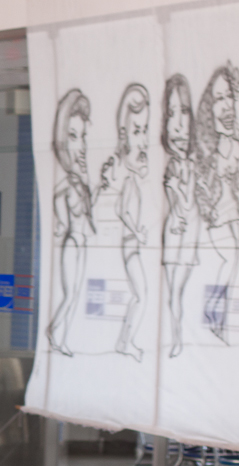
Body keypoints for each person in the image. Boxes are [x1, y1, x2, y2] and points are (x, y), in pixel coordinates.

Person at [47, 88, 98, 356]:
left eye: (83, 136)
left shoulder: (81, 183)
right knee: (69, 294)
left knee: (76, 294)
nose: (80, 145)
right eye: (73, 136)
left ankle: (61, 338)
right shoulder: (67, 186)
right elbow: (60, 205)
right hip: (72, 242)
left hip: (80, 241)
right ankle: (54, 332)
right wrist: (61, 224)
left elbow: (88, 214)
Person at [195, 63, 239, 342]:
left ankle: (219, 318)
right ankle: (214, 315)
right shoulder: (211, 152)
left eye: (229, 96)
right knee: (232, 256)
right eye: (218, 99)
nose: (225, 106)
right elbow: (203, 191)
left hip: (233, 216)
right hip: (219, 219)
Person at [108, 83, 151, 362]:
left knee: (140, 295)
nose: (144, 142)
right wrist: (138, 232)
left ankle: (125, 342)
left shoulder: (134, 179)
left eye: (145, 130)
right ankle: (125, 342)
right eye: (137, 131)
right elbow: (121, 210)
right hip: (130, 244)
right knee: (141, 295)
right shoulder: (129, 180)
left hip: (132, 243)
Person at [162, 74, 200, 358]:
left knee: (177, 292)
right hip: (173, 233)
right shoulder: (173, 165)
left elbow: (186, 205)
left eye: (183, 111)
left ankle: (178, 339)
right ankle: (175, 338)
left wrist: (176, 187)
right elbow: (176, 205)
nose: (176, 124)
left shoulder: (190, 167)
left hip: (186, 236)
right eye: (170, 113)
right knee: (171, 293)